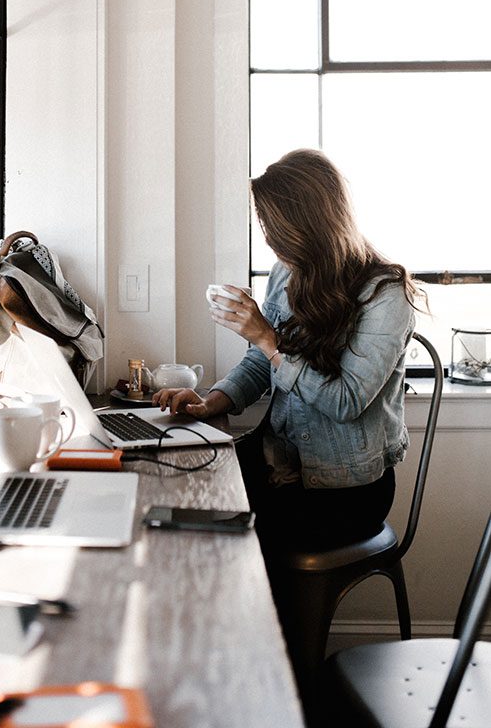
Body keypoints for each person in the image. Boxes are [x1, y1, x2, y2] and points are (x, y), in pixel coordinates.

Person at [152, 148, 424, 563]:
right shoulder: (287, 272)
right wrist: (211, 403)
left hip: (345, 491)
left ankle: (252, 625)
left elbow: (345, 401)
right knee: (174, 487)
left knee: (216, 537)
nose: (267, 237)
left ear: (308, 223)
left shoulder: (385, 294)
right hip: (279, 463)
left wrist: (268, 339)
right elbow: (261, 363)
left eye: (272, 225)